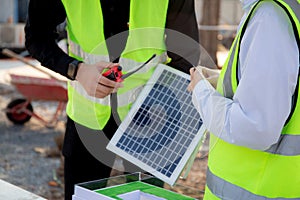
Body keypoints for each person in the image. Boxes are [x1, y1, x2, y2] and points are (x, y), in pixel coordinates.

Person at [25, 0, 200, 199]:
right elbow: (36, 37)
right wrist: (78, 70)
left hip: (149, 117)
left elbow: (185, 55)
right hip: (88, 119)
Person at [188, 0, 300, 199]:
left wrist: (201, 92)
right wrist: (220, 81)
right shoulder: (281, 11)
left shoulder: (269, 18)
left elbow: (255, 128)